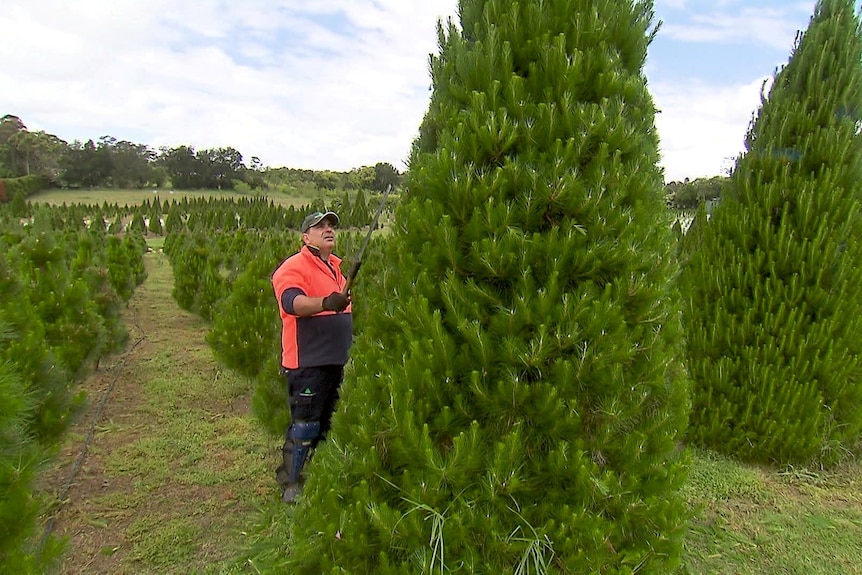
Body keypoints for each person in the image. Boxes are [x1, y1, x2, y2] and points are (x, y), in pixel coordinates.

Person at [271, 210, 353, 503]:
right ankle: (292, 484)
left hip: (336, 360)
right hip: (308, 362)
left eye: (331, 225)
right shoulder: (294, 267)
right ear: (306, 237)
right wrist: (326, 302)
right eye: (320, 226)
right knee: (305, 424)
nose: (328, 229)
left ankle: (322, 477)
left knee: (330, 423)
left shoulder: (335, 268)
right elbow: (292, 302)